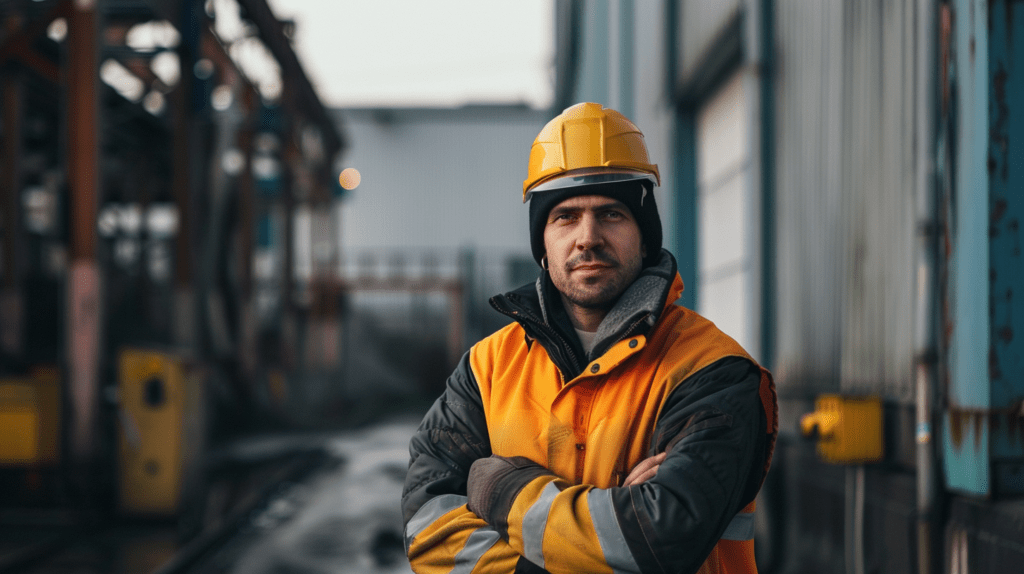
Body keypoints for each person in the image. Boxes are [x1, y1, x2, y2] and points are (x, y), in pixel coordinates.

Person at [401, 102, 778, 574]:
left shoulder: (713, 372)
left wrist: (502, 490)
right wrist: (612, 521)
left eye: (612, 214)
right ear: (543, 242)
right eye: (565, 216)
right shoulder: (486, 369)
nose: (588, 237)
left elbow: (660, 541)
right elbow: (427, 528)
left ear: (645, 235)